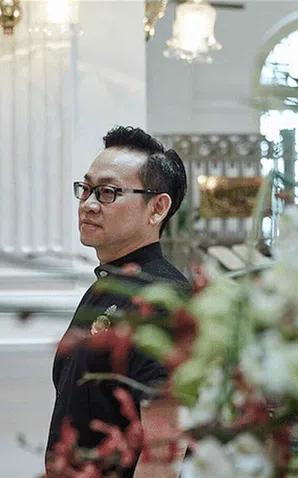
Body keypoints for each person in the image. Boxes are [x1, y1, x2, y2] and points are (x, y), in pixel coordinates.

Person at [46, 126, 191, 478]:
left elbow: (163, 453)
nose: (89, 204)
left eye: (108, 192)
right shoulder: (108, 285)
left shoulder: (162, 299)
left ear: (157, 208)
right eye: (86, 189)